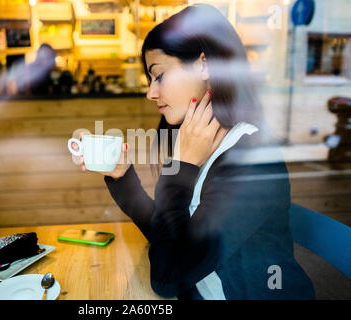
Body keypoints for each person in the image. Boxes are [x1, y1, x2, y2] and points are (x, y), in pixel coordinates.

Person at [70, 4, 315, 300]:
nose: (150, 92)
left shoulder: (252, 164)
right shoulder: (198, 144)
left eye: (158, 75)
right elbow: (171, 240)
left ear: (203, 65)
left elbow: (168, 276)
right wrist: (123, 177)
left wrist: (182, 167)